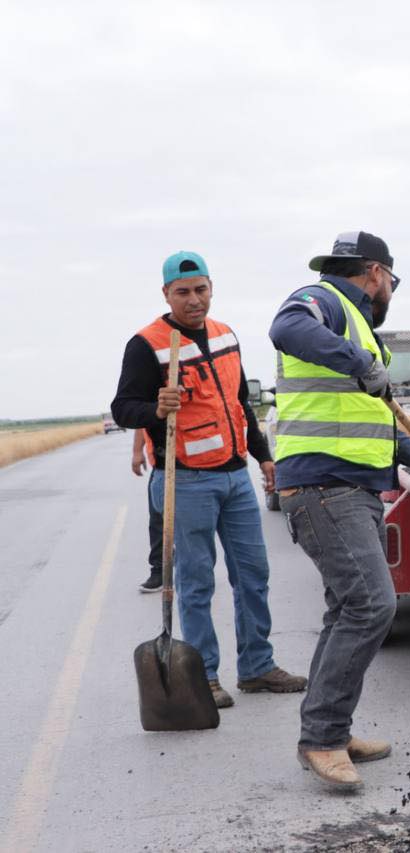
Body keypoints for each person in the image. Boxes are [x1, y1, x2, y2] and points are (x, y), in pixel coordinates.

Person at [269, 231, 410, 791]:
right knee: (373, 606)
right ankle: (322, 741)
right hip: (325, 487)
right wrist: (358, 360)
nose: (389, 293)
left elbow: (374, 421)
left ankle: (330, 728)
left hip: (353, 488)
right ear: (375, 273)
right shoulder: (323, 302)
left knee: (345, 610)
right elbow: (285, 328)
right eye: (391, 282)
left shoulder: (357, 333)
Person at [111, 251, 306, 710]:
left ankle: (257, 667)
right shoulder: (148, 344)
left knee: (253, 575)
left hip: (235, 477)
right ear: (166, 295)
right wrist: (155, 410)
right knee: (196, 584)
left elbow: (240, 405)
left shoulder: (225, 336)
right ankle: (206, 677)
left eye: (201, 289)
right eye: (183, 293)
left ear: (211, 287)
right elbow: (124, 408)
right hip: (185, 482)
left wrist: (263, 457)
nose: (194, 300)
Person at [132, 429, 163, 592]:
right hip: (162, 466)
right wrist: (137, 452)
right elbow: (141, 421)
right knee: (158, 520)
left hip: (197, 466)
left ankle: (199, 569)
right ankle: (159, 572)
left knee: (196, 524)